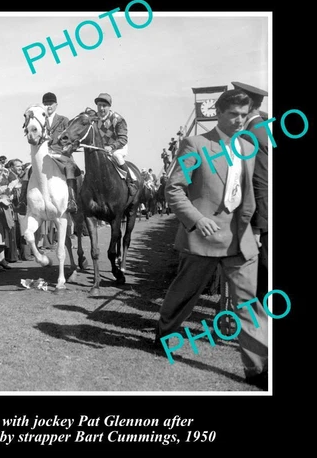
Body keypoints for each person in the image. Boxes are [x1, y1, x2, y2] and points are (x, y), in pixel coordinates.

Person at [155, 89, 268, 389]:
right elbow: (174, 189)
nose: (240, 121)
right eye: (233, 115)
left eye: (244, 115)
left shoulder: (249, 146)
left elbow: (253, 191)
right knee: (184, 294)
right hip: (202, 238)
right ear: (218, 113)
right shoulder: (196, 144)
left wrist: (255, 231)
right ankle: (165, 335)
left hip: (240, 240)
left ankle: (258, 370)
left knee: (247, 305)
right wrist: (196, 219)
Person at [232, 81, 269, 300]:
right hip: (263, 217)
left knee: (261, 278)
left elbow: (260, 182)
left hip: (260, 220)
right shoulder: (261, 129)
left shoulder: (251, 135)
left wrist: (257, 227)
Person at [40, 91, 81, 214]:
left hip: (60, 155)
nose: (49, 106)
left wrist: (67, 147)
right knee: (27, 171)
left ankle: (72, 200)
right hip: (44, 155)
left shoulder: (64, 120)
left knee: (70, 168)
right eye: (46, 103)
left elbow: (70, 139)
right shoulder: (40, 120)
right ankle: (23, 202)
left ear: (56, 105)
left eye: (51, 103)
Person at [94, 93, 138, 195]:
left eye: (104, 106)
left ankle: (131, 182)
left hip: (119, 147)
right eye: (99, 105)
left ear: (109, 106)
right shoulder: (95, 118)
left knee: (116, 155)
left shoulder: (118, 119)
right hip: (104, 148)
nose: (101, 108)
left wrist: (111, 147)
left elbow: (123, 139)